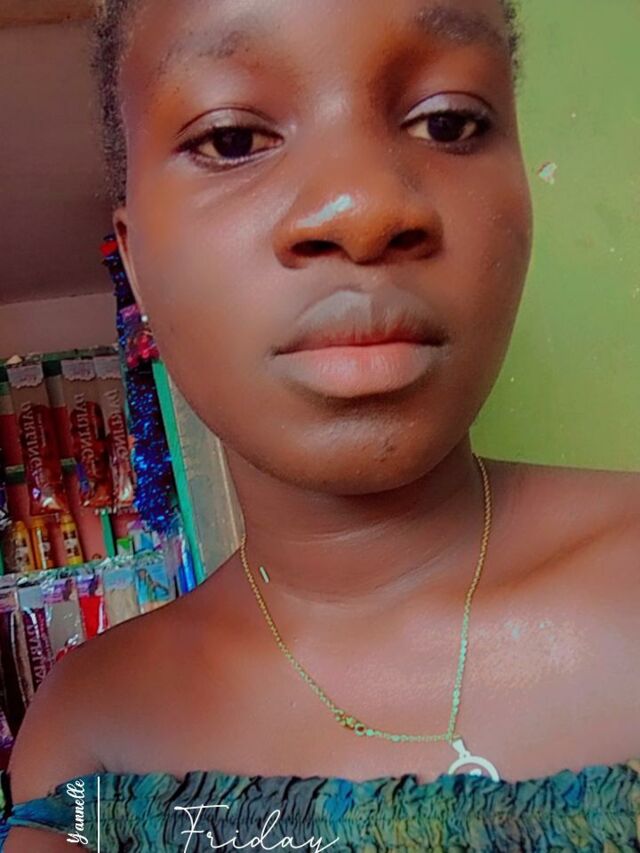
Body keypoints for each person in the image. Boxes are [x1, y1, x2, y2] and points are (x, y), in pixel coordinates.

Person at [2, 0, 639, 849]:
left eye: (448, 122)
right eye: (232, 139)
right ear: (137, 268)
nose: (362, 207)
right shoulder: (90, 752)